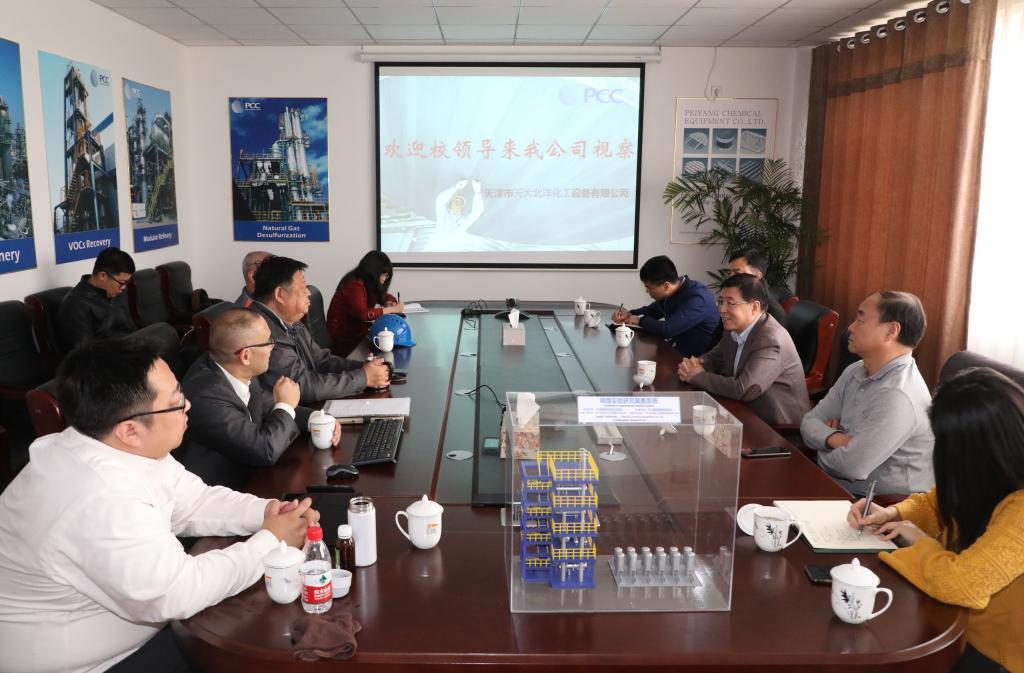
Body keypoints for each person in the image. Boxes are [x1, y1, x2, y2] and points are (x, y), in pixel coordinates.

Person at [0, 337, 318, 673]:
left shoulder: (114, 444)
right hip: (93, 663)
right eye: (176, 402)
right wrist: (271, 541)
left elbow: (193, 501)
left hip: (136, 627)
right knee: (264, 650)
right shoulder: (98, 498)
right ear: (130, 430)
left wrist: (267, 513)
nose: (188, 405)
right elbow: (178, 592)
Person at [848, 368, 1024, 673]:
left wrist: (918, 541)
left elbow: (963, 585)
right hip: (954, 622)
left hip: (998, 655)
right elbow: (937, 503)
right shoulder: (993, 473)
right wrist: (893, 513)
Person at [179, 309, 341, 489]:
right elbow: (265, 450)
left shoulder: (235, 367)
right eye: (268, 341)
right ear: (246, 355)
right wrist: (286, 405)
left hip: (253, 476)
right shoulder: (206, 395)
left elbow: (267, 405)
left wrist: (317, 418)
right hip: (224, 490)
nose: (273, 346)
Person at [800, 291, 933, 496]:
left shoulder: (898, 395)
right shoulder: (855, 370)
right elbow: (809, 422)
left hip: (877, 505)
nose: (850, 328)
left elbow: (850, 467)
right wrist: (837, 439)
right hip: (835, 485)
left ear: (891, 331)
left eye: (860, 320)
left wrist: (820, 448)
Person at [249, 255, 390, 404]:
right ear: (280, 294)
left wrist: (364, 368)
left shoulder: (291, 321)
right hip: (289, 413)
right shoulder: (261, 331)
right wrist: (363, 378)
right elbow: (302, 386)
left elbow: (321, 361)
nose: (308, 292)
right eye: (303, 287)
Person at [678, 274, 810, 426]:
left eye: (730, 303)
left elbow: (744, 390)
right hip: (743, 412)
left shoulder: (771, 340)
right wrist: (695, 364)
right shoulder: (734, 328)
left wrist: (697, 376)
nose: (722, 309)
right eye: (721, 301)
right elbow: (716, 357)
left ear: (754, 307)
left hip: (778, 426)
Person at [611, 255, 719, 356]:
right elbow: (651, 311)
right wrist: (628, 314)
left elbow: (668, 330)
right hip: (674, 351)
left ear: (666, 286)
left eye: (649, 288)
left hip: (695, 360)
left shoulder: (698, 299)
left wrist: (639, 320)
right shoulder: (674, 291)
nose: (647, 291)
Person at [57, 246, 138, 351]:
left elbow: (130, 328)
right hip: (106, 357)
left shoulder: (116, 292)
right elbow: (85, 352)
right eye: (122, 283)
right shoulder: (76, 304)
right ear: (103, 276)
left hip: (130, 348)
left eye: (127, 282)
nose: (124, 287)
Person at [326, 250, 404, 356]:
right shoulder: (354, 285)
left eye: (386, 276)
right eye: (383, 275)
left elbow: (383, 296)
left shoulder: (366, 283)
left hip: (356, 335)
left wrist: (389, 302)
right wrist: (392, 309)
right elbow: (363, 314)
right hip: (344, 343)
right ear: (372, 272)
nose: (384, 279)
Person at [727, 248, 788, 327]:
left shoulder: (774, 316)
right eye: (729, 273)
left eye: (737, 273)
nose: (730, 278)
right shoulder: (731, 301)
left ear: (757, 276)